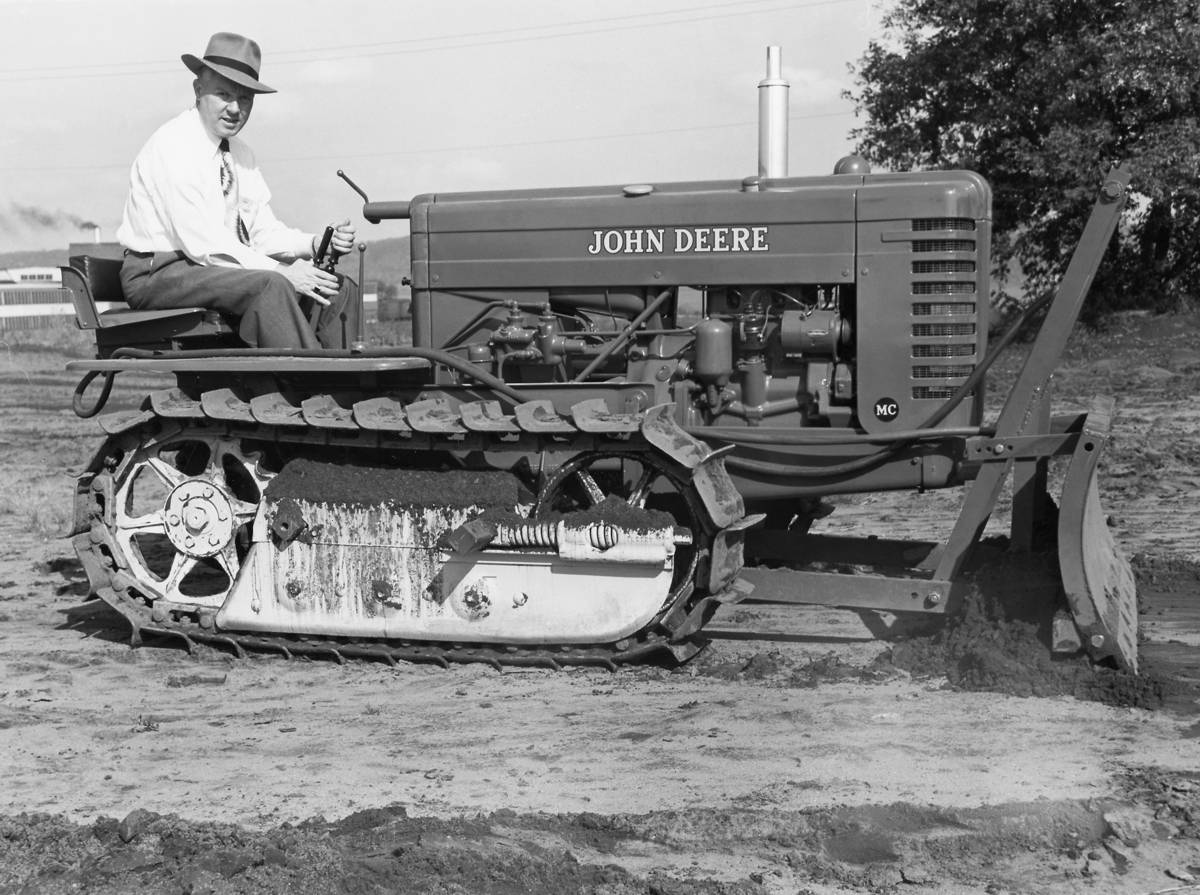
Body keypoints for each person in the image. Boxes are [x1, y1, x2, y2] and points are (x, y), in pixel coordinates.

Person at [115, 32, 359, 349]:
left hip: (207, 268)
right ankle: (309, 386)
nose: (234, 108)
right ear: (198, 90)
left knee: (338, 288)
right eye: (224, 94)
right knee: (272, 285)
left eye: (245, 99)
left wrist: (313, 244)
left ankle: (350, 384)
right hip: (159, 274)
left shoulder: (240, 155)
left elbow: (260, 232)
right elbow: (202, 241)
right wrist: (283, 271)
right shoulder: (173, 145)